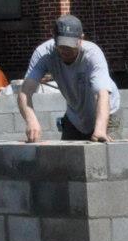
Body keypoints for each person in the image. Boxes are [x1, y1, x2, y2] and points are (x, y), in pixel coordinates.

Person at [15, 14, 122, 144]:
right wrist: (31, 121)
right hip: (75, 117)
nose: (65, 50)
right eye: (61, 45)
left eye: (70, 46)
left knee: (106, 159)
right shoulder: (43, 54)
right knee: (67, 160)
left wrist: (100, 130)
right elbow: (25, 91)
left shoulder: (93, 55)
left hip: (105, 114)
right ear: (54, 39)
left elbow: (102, 95)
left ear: (81, 39)